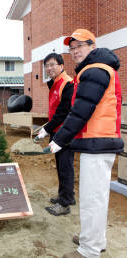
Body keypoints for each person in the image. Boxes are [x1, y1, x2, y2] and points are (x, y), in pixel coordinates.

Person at [48, 29, 123, 258]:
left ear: (92, 45)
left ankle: (89, 251)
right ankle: (94, 239)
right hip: (98, 141)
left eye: (79, 46)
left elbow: (81, 110)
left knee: (92, 198)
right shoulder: (96, 68)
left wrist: (59, 140)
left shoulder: (96, 70)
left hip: (98, 141)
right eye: (71, 48)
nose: (74, 51)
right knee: (96, 196)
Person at [36, 53, 75, 216]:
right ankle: (66, 196)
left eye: (52, 65)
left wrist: (46, 129)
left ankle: (64, 204)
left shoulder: (68, 84)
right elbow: (55, 111)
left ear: (61, 66)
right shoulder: (54, 83)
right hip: (57, 131)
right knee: (60, 165)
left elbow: (63, 112)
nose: (49, 68)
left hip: (65, 133)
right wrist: (49, 128)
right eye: (47, 66)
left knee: (65, 167)